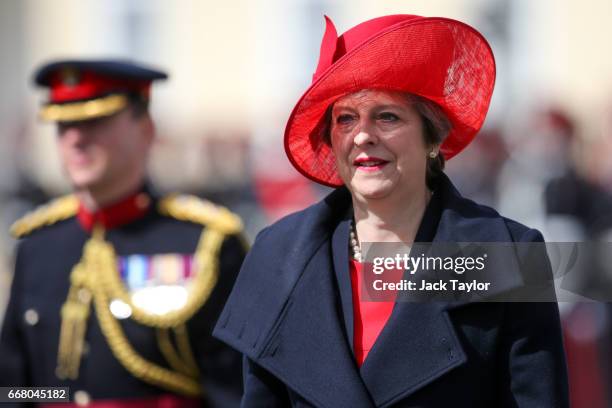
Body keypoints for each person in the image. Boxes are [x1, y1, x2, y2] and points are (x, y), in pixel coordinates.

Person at [213, 15, 569, 407]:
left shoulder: (508, 254)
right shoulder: (278, 256)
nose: (363, 135)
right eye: (345, 118)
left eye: (387, 116)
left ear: (431, 136)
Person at [0, 59, 246, 407]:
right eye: (62, 125)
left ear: (145, 129)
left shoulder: (205, 243)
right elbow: (14, 390)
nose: (74, 138)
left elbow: (235, 391)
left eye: (93, 121)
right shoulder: (37, 245)